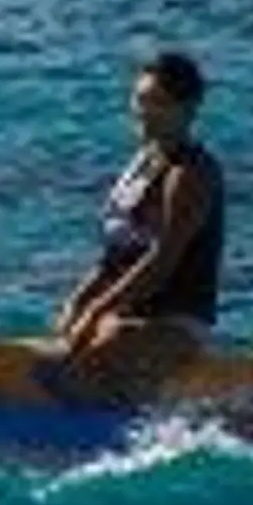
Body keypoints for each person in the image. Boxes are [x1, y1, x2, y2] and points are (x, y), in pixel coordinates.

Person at [52, 51, 226, 406]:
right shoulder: (141, 165)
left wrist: (96, 312)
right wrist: (77, 302)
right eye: (139, 99)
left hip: (177, 323)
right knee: (63, 345)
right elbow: (113, 256)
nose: (143, 111)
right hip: (130, 315)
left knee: (88, 360)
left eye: (158, 102)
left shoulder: (190, 174)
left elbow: (161, 261)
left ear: (188, 109)